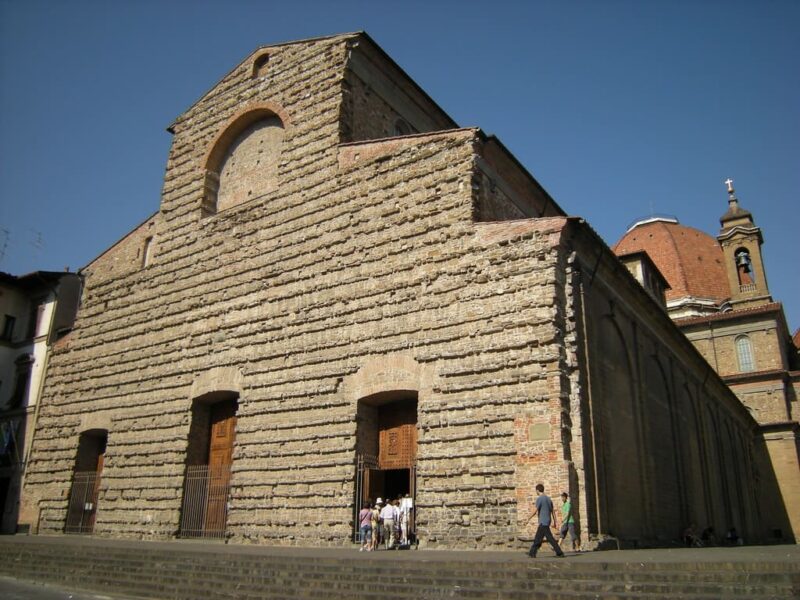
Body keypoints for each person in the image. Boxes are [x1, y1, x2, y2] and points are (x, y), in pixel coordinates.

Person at [527, 483, 564, 558]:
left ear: (537, 490)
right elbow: (553, 511)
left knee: (544, 538)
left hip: (543, 522)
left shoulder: (540, 499)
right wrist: (555, 521)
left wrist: (528, 518)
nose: (536, 492)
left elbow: (535, 510)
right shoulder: (549, 499)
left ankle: (559, 552)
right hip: (547, 521)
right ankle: (532, 553)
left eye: (536, 491)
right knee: (540, 538)